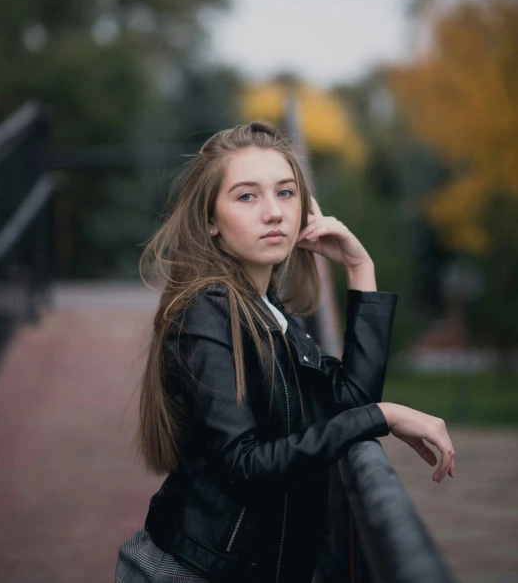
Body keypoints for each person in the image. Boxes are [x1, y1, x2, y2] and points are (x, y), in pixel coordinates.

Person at [115, 120, 455, 583]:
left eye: (286, 193)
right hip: (192, 572)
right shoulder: (205, 311)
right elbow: (246, 465)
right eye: (247, 196)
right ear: (210, 220)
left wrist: (360, 267)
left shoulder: (270, 312)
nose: (274, 212)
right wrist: (383, 416)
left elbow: (350, 397)